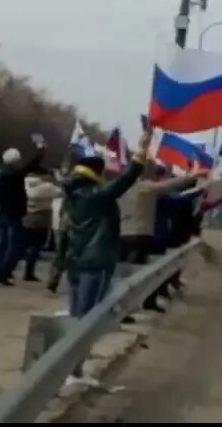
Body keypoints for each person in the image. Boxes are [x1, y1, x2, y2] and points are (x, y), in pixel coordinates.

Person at [61, 129, 153, 383]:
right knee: (87, 321)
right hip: (96, 261)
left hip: (77, 261)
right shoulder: (93, 195)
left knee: (77, 318)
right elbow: (122, 183)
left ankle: (71, 369)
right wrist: (140, 153)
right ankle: (73, 370)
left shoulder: (73, 193)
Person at [118, 162, 206, 313]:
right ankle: (135, 306)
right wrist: (195, 178)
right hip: (143, 237)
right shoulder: (147, 189)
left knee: (123, 277)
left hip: (121, 237)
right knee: (141, 276)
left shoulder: (117, 189)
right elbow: (174, 192)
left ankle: (124, 310)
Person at [0, 135, 47, 285]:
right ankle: (3, 273)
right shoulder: (14, 175)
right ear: (15, 161)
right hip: (14, 215)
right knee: (15, 246)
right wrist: (40, 148)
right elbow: (33, 164)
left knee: (2, 245)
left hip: (2, 212)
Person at [21, 168, 61, 282]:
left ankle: (7, 270)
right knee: (35, 246)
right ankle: (29, 272)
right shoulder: (47, 187)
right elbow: (61, 192)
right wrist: (57, 180)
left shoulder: (25, 184)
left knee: (24, 245)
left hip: (26, 216)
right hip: (41, 218)